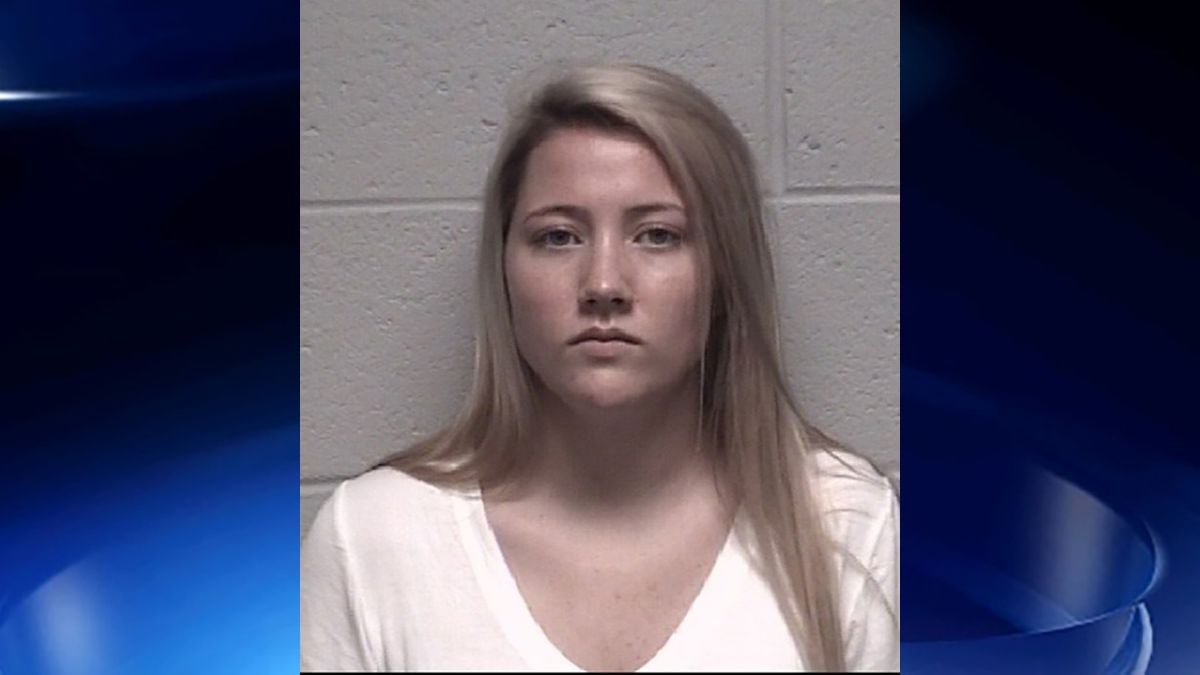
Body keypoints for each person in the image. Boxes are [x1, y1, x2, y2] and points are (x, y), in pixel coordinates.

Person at [301, 63, 898, 672]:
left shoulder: (846, 523)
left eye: (658, 235)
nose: (604, 284)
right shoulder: (374, 537)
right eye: (558, 237)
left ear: (726, 273)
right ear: (503, 270)